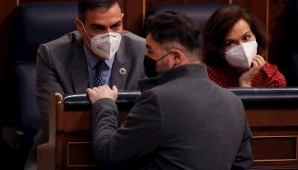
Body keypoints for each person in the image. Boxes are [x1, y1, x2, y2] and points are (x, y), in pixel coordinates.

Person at [86, 11, 254, 169]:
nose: (146, 57)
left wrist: (104, 104)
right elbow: (242, 164)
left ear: (175, 57)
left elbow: (109, 155)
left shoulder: (158, 100)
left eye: (150, 50)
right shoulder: (234, 102)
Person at [24, 0, 146, 169]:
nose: (109, 35)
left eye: (116, 25)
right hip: (61, 150)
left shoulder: (142, 51)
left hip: (123, 153)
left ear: (122, 18)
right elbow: (57, 120)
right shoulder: (51, 55)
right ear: (80, 26)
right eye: (98, 28)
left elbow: (146, 118)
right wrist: (106, 108)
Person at [203, 5, 286, 87]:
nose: (242, 47)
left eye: (246, 37)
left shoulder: (271, 78)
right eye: (231, 43)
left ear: (255, 35)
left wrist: (245, 85)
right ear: (218, 49)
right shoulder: (208, 76)